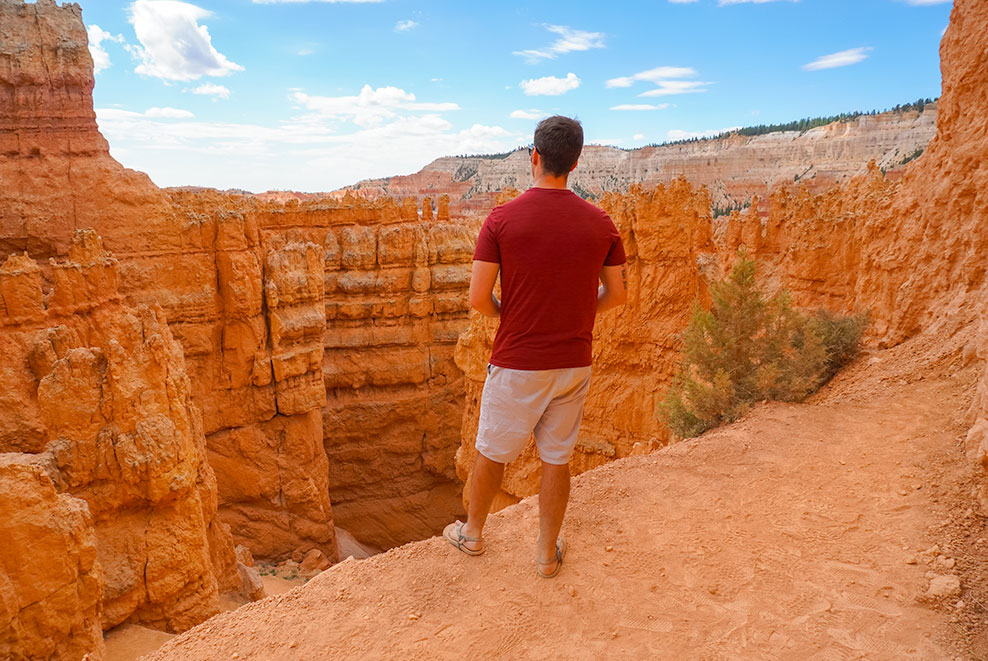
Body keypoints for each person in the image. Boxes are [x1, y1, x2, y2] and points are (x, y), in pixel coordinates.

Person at [443, 115, 627, 578]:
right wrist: (579, 315)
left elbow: (478, 298)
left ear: (534, 157)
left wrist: (513, 314)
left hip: (518, 360)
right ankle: (546, 555)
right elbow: (618, 296)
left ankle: (473, 535)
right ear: (576, 162)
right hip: (573, 362)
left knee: (491, 451)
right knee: (556, 458)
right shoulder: (601, 223)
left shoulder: (501, 219)